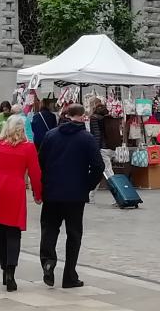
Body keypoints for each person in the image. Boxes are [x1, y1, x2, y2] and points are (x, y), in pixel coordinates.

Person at [38, 103, 104, 289]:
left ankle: (48, 262)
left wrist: (46, 182)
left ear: (66, 115)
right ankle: (69, 276)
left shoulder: (51, 135)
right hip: (76, 194)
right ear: (83, 117)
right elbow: (99, 166)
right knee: (74, 234)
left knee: (50, 229)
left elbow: (40, 161)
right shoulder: (87, 139)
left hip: (52, 192)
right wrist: (87, 185)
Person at [0, 114, 42, 292]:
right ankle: (11, 271)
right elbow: (35, 172)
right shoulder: (28, 148)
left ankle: (4, 267)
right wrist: (38, 193)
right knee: (13, 232)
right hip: (14, 188)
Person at [88, 97, 119, 179]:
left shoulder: (94, 118)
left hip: (102, 147)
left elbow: (96, 134)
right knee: (106, 168)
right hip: (111, 146)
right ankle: (92, 190)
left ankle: (116, 187)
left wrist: (95, 148)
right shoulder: (108, 118)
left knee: (107, 170)